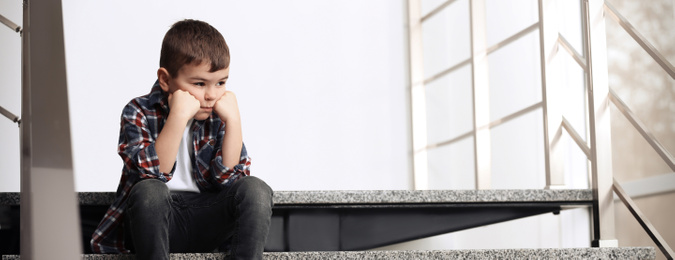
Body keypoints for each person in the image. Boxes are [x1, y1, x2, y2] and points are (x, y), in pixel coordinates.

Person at [90, 19, 273, 260]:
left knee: (256, 189)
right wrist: (177, 115)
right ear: (165, 80)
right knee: (150, 191)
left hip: (206, 218)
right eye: (199, 83)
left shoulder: (217, 115)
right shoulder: (138, 111)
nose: (211, 95)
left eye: (221, 83)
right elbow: (153, 173)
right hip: (154, 222)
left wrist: (234, 122)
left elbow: (228, 179)